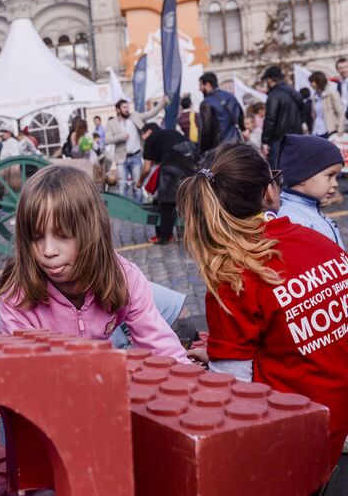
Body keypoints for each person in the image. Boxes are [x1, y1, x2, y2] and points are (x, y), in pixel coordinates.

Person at [177, 142, 348, 467]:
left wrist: (219, 363)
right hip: (337, 416)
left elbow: (235, 390)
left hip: (294, 437)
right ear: (269, 191)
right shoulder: (318, 241)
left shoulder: (233, 277)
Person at [0, 165, 190, 362]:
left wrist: (187, 377)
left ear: (91, 231)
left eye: (63, 235)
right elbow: (23, 370)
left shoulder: (125, 277)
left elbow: (161, 347)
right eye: (36, 237)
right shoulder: (17, 296)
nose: (48, 251)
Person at [277, 135, 345, 248]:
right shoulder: (292, 220)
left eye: (336, 177)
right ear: (302, 175)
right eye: (330, 175)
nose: (335, 184)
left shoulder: (310, 208)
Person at [136, 123, 198, 244]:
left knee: (165, 201)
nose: (143, 138)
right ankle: (187, 231)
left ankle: (165, 236)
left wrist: (139, 182)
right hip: (191, 155)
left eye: (143, 134)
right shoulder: (168, 133)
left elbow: (146, 169)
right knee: (185, 196)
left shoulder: (150, 139)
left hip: (173, 161)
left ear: (148, 132)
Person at [106, 97, 167, 199]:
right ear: (118, 109)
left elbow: (151, 113)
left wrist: (163, 103)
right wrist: (121, 137)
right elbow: (107, 140)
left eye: (127, 107)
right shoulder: (111, 123)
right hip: (121, 159)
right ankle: (124, 212)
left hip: (136, 156)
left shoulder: (135, 116)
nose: (127, 109)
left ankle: (139, 210)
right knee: (122, 186)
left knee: (138, 186)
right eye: (124, 107)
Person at [260, 65, 304, 167]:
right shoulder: (294, 93)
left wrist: (265, 141)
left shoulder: (274, 95)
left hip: (279, 140)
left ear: (270, 80)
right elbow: (303, 112)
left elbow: (270, 119)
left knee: (279, 172)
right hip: (297, 136)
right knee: (295, 168)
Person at [198, 72, 245, 154]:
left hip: (219, 148)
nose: (199, 89)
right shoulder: (231, 97)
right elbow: (240, 116)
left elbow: (206, 130)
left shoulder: (206, 103)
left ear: (208, 85)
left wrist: (203, 150)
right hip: (236, 143)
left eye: (201, 85)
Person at [308, 71, 344, 139]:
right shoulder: (315, 96)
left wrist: (340, 128)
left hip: (329, 130)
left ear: (318, 82)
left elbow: (340, 112)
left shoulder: (331, 93)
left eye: (312, 82)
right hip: (316, 130)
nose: (310, 84)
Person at [335, 57, 348, 128]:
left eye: (345, 67)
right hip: (343, 122)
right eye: (340, 68)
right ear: (337, 70)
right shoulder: (338, 85)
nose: (343, 70)